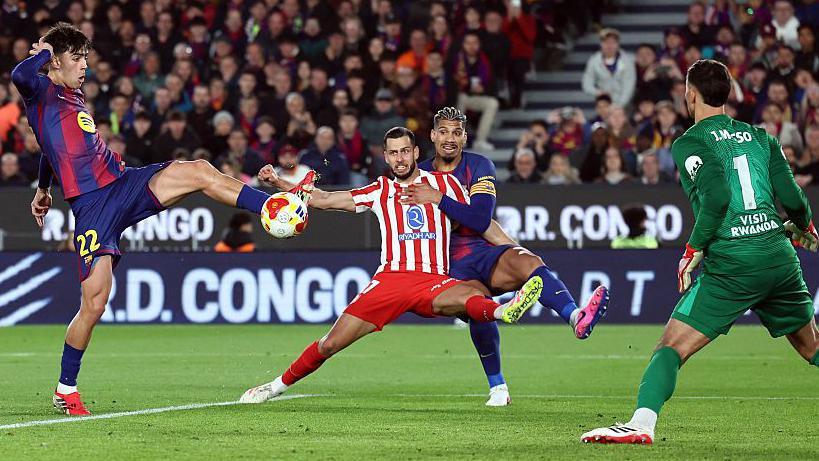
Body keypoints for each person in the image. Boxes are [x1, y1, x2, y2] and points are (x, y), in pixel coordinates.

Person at [12, 23, 273, 416]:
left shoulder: (73, 94)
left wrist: (44, 188)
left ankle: (270, 207)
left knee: (199, 170)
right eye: (77, 58)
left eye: (86, 58)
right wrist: (46, 52)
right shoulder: (40, 89)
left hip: (123, 182)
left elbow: (52, 150)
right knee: (95, 304)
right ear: (57, 60)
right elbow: (19, 74)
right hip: (92, 207)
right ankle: (66, 389)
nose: (85, 66)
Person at [581, 59, 819, 445]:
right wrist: (806, 225)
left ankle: (641, 423)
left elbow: (718, 197)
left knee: (671, 347)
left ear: (690, 94)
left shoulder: (690, 142)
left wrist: (694, 247)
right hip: (779, 258)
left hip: (734, 265)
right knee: (813, 348)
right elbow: (793, 198)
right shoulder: (761, 137)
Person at [241, 127, 544, 404]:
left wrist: (511, 248)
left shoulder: (445, 184)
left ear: (415, 153)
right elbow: (324, 199)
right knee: (330, 344)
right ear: (386, 156)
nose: (399, 158)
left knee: (470, 297)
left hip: (432, 280)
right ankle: (275, 386)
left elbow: (478, 221)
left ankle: (505, 311)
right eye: (393, 152)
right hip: (389, 281)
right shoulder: (379, 189)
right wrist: (279, 182)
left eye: (405, 151)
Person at [408, 107, 610, 406]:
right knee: (478, 306)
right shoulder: (418, 174)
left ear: (465, 136)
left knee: (529, 262)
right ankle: (498, 387)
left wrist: (438, 198)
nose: (449, 138)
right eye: (444, 132)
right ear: (433, 135)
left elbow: (479, 219)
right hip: (450, 264)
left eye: (457, 132)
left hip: (484, 252)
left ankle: (575, 317)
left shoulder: (479, 165)